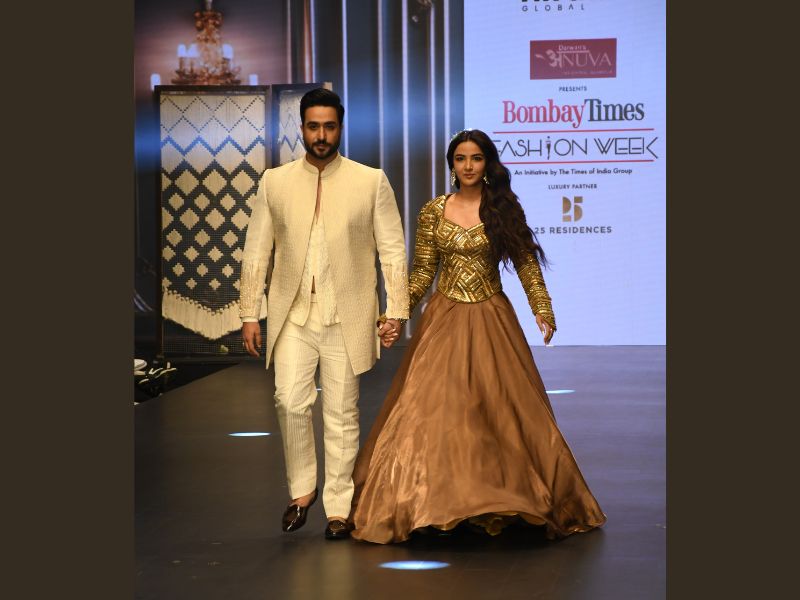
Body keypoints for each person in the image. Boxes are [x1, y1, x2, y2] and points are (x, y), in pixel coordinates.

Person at [348, 129, 606, 543]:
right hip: (445, 319)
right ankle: (436, 500)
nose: (468, 166)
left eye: (476, 158)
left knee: (499, 409)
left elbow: (525, 262)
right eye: (461, 158)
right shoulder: (434, 211)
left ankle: (498, 499)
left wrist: (542, 307)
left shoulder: (502, 208)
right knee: (436, 410)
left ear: (488, 164)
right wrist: (396, 314)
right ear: (452, 165)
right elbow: (422, 272)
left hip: (491, 318)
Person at [238, 88, 409, 540]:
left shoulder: (370, 181)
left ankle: (338, 506)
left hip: (346, 312)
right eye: (313, 126)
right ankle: (302, 491)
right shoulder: (275, 182)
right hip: (292, 313)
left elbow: (392, 249)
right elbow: (256, 250)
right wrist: (250, 312)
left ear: (340, 129)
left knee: (341, 411)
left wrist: (396, 310)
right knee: (289, 401)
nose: (321, 135)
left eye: (329, 127)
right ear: (301, 128)